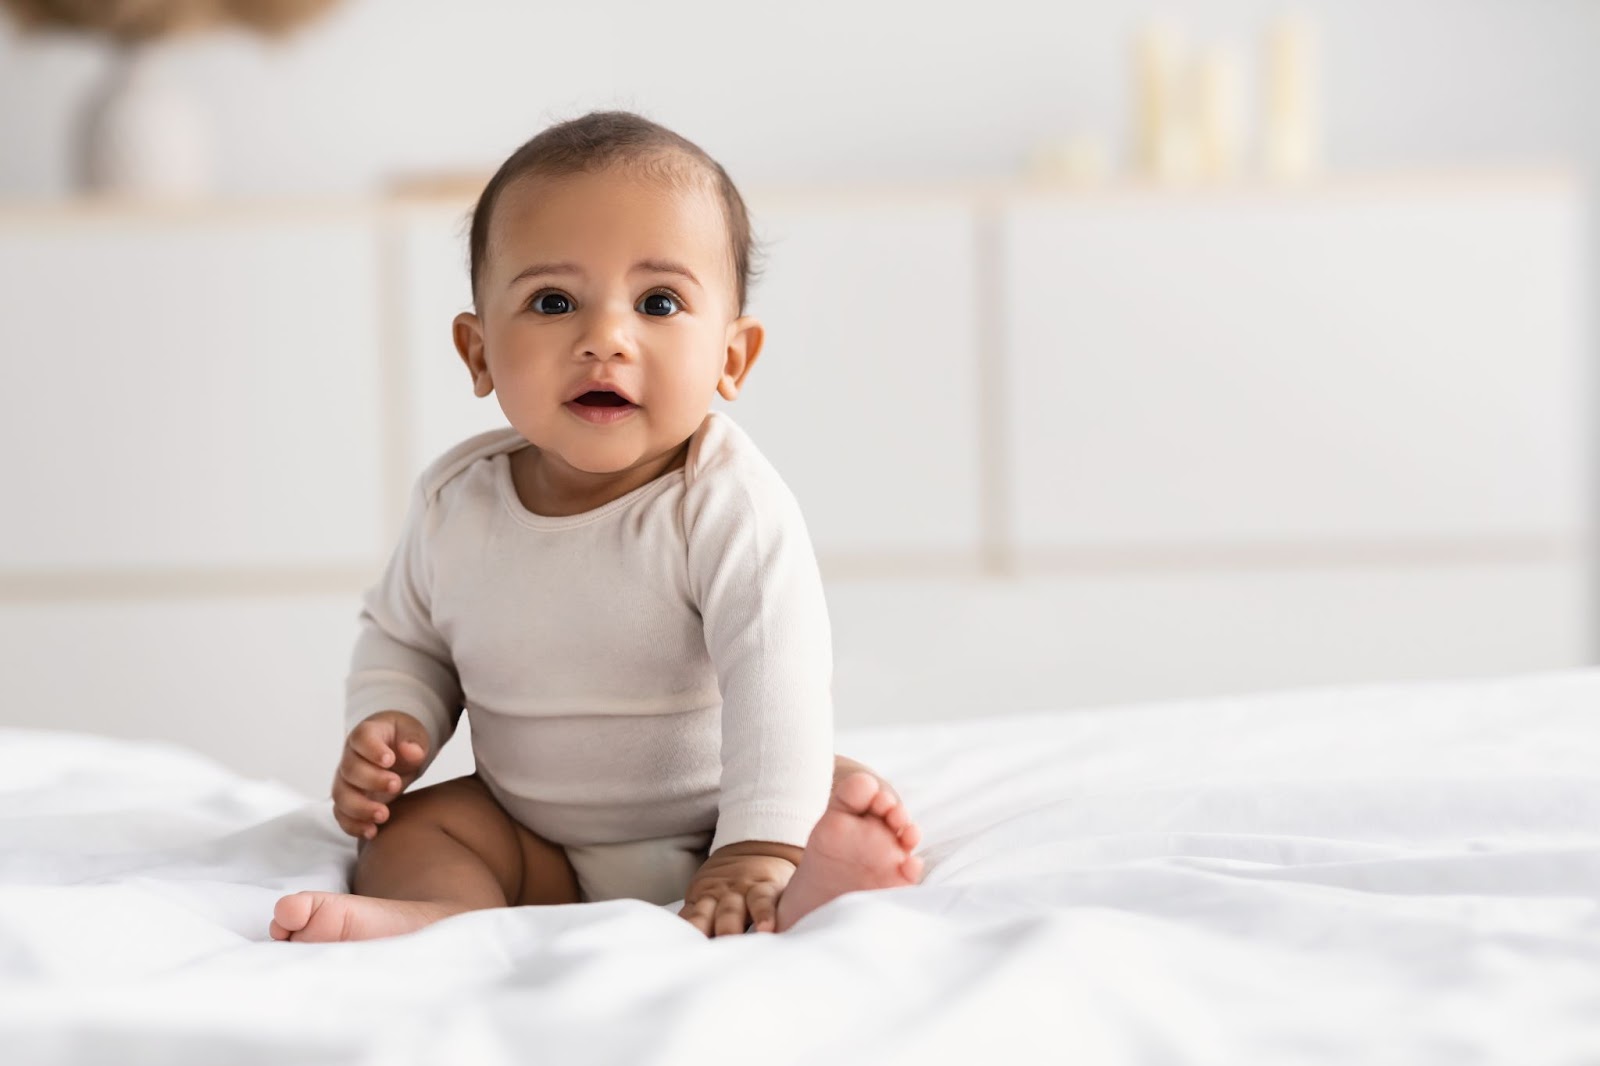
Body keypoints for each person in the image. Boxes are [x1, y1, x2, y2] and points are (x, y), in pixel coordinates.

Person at [269, 110, 923, 943]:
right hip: (536, 837)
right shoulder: (456, 503)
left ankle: (794, 872)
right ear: (477, 353)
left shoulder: (724, 504)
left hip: (711, 816)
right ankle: (446, 917)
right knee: (410, 831)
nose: (603, 338)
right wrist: (396, 721)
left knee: (815, 798)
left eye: (658, 302)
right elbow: (405, 637)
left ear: (732, 358)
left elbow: (778, 681)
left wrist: (755, 844)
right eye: (553, 301)